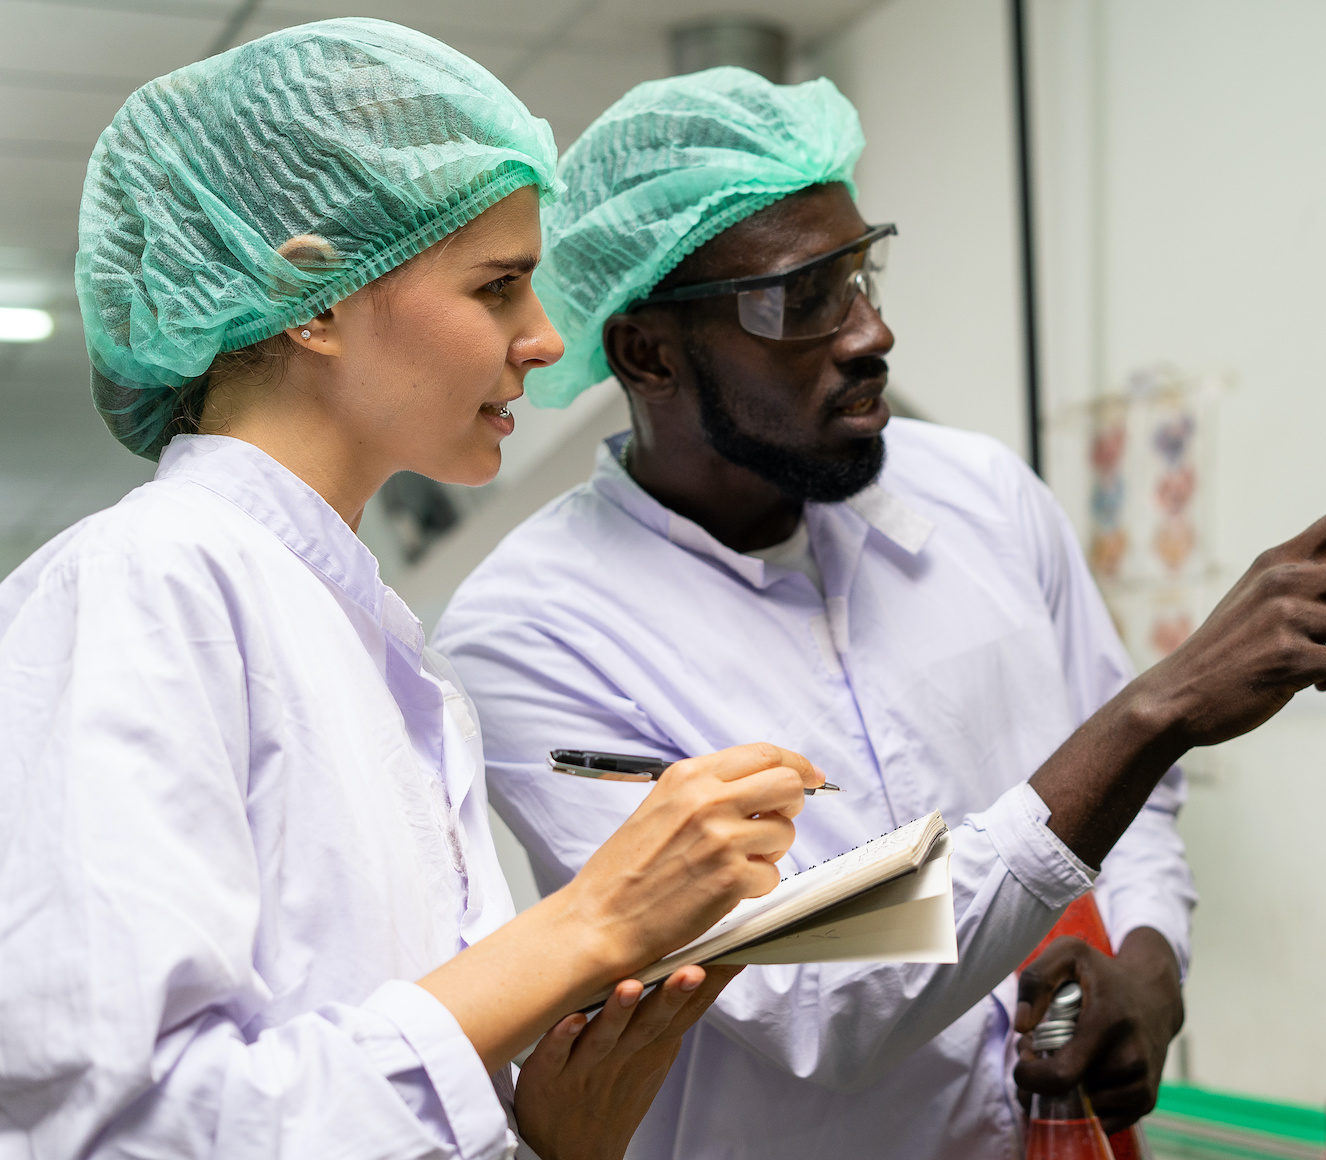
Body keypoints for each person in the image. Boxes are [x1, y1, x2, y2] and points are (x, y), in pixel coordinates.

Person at [435, 68, 1326, 1160]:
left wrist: (1150, 963)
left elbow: (1134, 809)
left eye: (862, 274)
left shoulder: (983, 498)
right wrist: (1159, 707)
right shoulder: (534, 631)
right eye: (801, 298)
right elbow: (807, 995)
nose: (870, 333)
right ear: (646, 352)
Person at [0, 26, 826, 1160]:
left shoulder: (366, 638)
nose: (543, 339)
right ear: (312, 294)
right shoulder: (141, 586)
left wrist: (543, 1135)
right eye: (496, 286)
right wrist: (587, 925)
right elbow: (130, 1126)